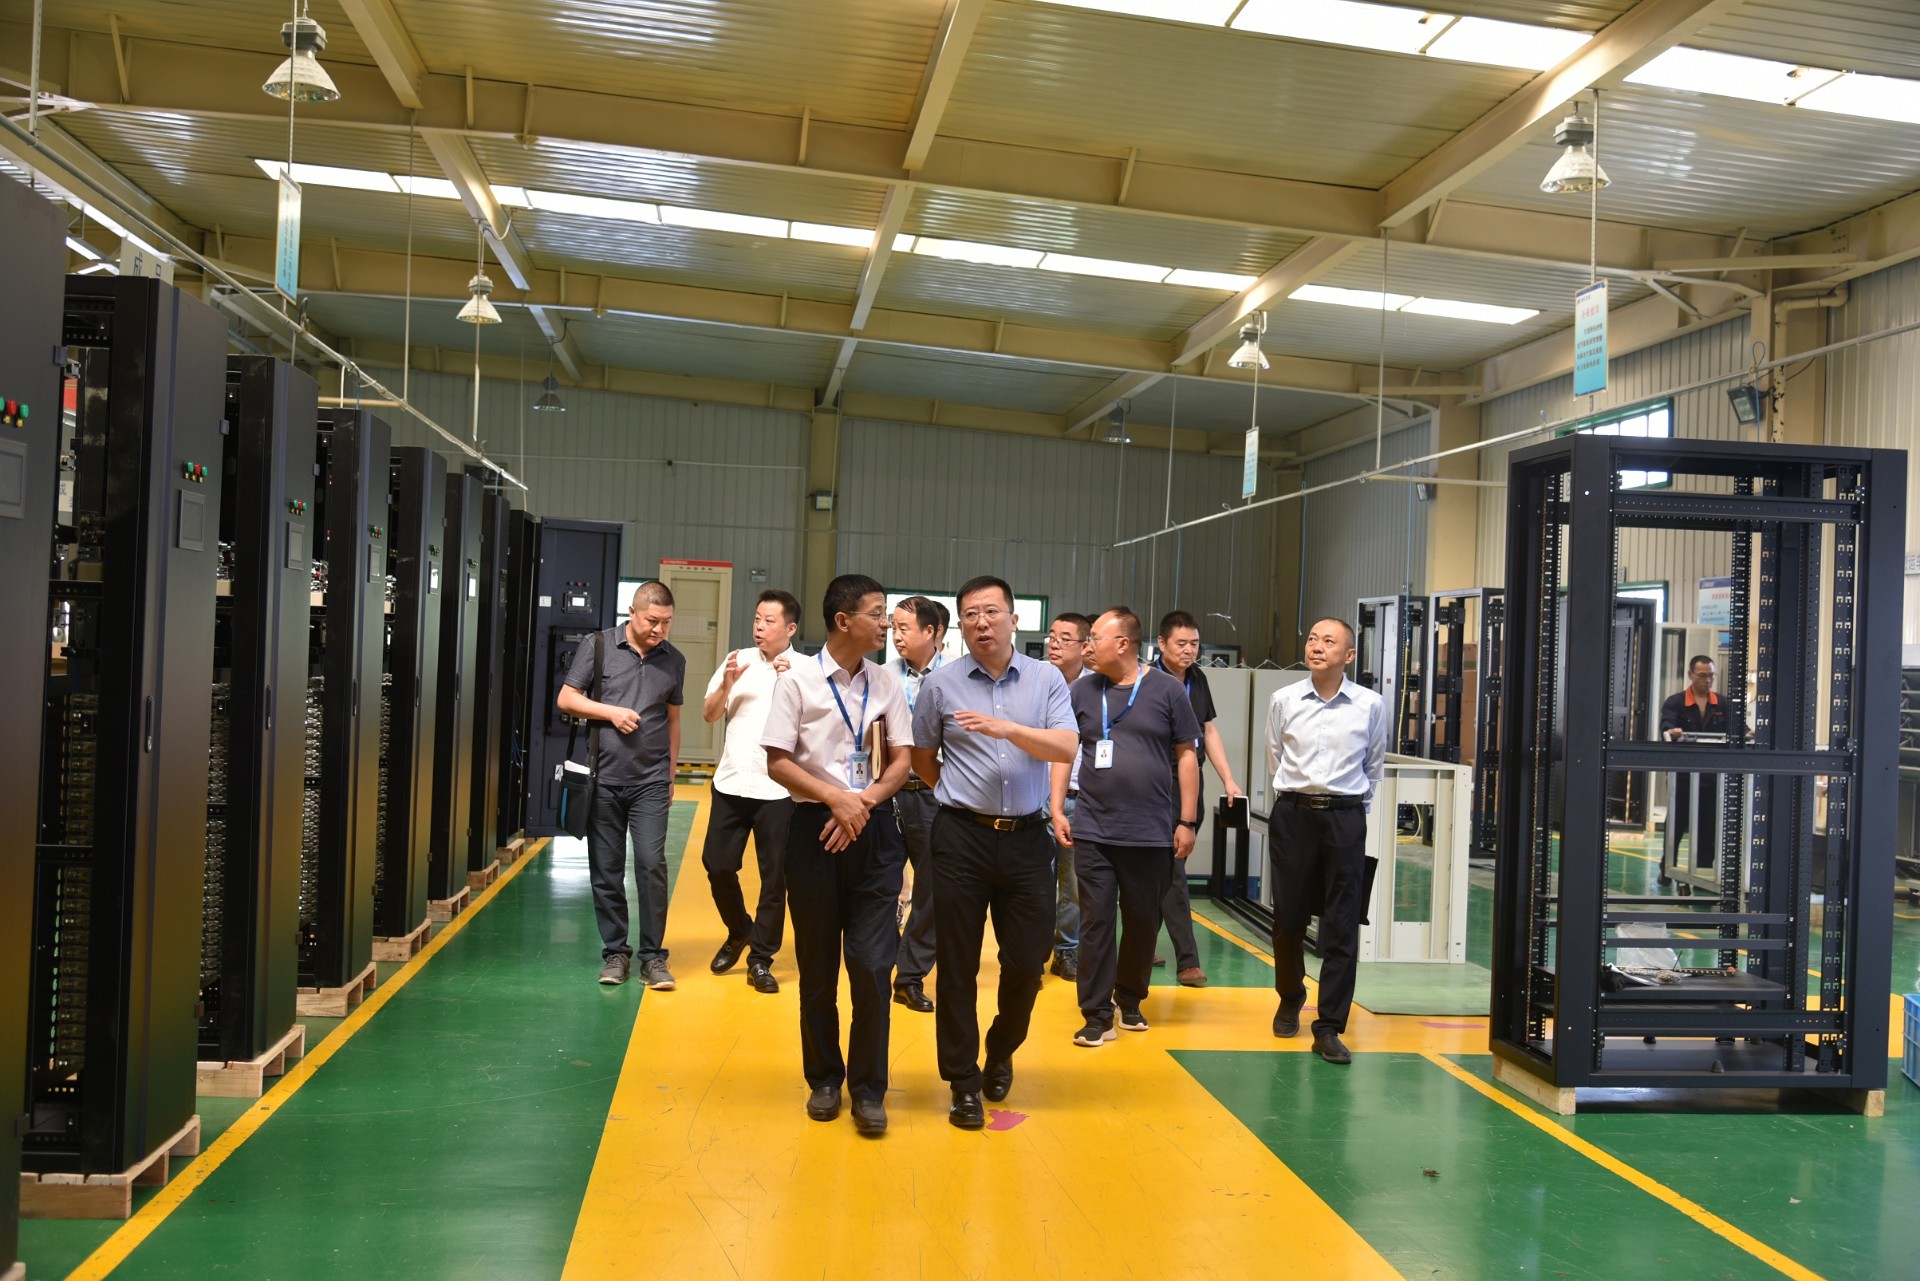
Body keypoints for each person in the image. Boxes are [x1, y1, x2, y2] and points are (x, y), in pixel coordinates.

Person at [911, 577, 1077, 1128]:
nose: (981, 622)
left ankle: (1001, 1048)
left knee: (1027, 963)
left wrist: (1007, 730)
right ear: (960, 624)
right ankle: (962, 1081)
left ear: (1013, 619)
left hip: (1028, 839)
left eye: (991, 612)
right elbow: (923, 757)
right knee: (957, 964)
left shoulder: (1046, 679)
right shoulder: (941, 684)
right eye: (970, 614)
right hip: (961, 835)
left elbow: (1065, 745)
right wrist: (957, 794)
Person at [761, 574, 913, 1136]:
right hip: (814, 832)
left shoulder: (887, 682)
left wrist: (862, 802)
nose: (886, 622)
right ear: (844, 621)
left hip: (873, 832)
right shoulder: (797, 681)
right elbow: (777, 760)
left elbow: (902, 759)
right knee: (818, 969)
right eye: (878, 613)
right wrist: (834, 799)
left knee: (872, 968)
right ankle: (825, 1079)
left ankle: (869, 1089)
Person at [1051, 607, 1199, 1047]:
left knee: (1141, 920)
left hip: (1151, 830)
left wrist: (1187, 820)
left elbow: (1187, 756)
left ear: (1123, 644)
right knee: (1096, 921)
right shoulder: (1082, 690)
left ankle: (1130, 997)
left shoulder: (1168, 690)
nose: (1088, 645)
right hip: (1093, 828)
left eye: (1094, 637)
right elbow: (1064, 751)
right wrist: (1057, 808)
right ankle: (1096, 1013)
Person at [1265, 616, 1387, 1065]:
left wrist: (1349, 808)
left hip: (1345, 819)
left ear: (1348, 655)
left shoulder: (1370, 705)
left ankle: (1330, 1025)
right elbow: (1275, 755)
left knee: (1342, 922)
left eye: (1328, 641)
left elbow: (1373, 764)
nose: (1316, 646)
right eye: (1312, 638)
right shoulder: (1283, 699)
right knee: (1289, 917)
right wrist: (1297, 799)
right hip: (1293, 815)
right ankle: (1290, 995)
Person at [557, 581, 685, 990]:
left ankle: (653, 957)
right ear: (632, 612)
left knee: (651, 865)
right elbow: (567, 698)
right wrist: (611, 713)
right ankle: (616, 952)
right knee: (607, 870)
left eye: (666, 622)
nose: (659, 629)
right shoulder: (598, 646)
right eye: (652, 620)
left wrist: (670, 775)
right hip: (604, 780)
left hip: (651, 782)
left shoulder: (674, 660)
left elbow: (673, 721)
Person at [699, 589, 802, 994]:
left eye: (769, 621)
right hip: (731, 781)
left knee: (775, 879)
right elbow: (709, 714)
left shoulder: (805, 669)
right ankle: (739, 928)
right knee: (717, 864)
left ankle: (761, 959)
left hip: (778, 790)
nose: (759, 626)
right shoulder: (736, 660)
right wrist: (726, 684)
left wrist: (790, 682)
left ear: (790, 628)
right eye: (757, 618)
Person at [1152, 611, 1244, 989]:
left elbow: (1208, 730)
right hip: (1158, 782)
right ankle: (1188, 961)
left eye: (1194, 644)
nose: (1189, 651)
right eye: (1181, 644)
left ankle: (1141, 946)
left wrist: (1228, 779)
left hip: (1192, 780)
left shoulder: (1198, 678)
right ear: (1161, 643)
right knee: (1172, 867)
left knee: (1166, 868)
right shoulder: (1148, 680)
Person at [889, 595, 949, 1015]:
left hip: (932, 794)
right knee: (879, 884)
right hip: (886, 791)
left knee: (932, 890)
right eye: (892, 628)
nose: (895, 636)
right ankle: (884, 959)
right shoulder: (880, 675)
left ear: (931, 632)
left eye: (903, 628)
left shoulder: (956, 678)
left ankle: (909, 977)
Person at [1658, 655, 1745, 869]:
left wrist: (1748, 734)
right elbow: (1666, 726)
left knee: (1709, 826)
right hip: (1682, 776)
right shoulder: (1675, 702)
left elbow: (1739, 729)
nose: (1708, 681)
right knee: (1677, 822)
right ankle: (1667, 866)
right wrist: (1672, 731)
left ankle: (1702, 871)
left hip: (1712, 777)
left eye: (1711, 676)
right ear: (1690, 675)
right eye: (1702, 676)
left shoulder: (1723, 703)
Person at [1044, 613, 1093, 980]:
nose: (1055, 643)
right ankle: (1032, 954)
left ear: (1085, 646)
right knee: (1036, 882)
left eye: (1065, 638)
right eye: (1052, 636)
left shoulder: (1096, 689)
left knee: (1073, 886)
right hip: (1036, 799)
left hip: (1081, 798)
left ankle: (1066, 952)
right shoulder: (1036, 680)